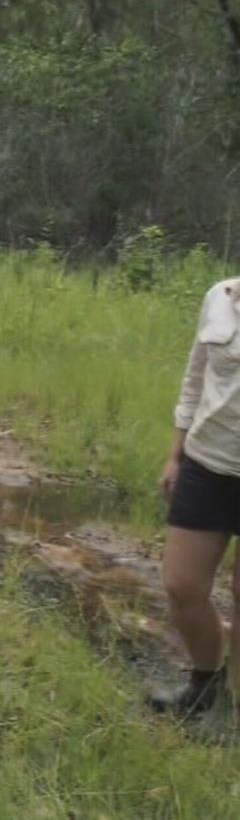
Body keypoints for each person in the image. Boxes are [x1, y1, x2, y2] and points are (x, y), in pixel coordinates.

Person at [150, 278, 240, 718]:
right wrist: (175, 454)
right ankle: (206, 687)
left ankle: (234, 713)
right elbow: (195, 379)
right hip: (207, 463)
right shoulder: (220, 297)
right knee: (182, 585)